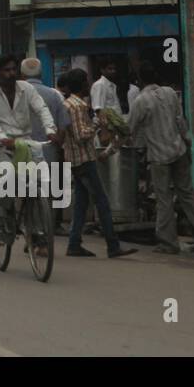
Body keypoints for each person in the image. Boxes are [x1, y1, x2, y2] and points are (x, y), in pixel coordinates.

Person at [128, 61, 194, 256]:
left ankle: (169, 242)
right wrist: (187, 141)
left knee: (164, 199)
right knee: (187, 192)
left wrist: (114, 148)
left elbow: (129, 130)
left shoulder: (140, 101)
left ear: (140, 80)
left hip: (159, 156)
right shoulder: (169, 92)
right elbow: (180, 119)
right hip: (179, 150)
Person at [58, 68, 138, 259]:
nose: (89, 85)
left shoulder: (70, 104)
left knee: (81, 204)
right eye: (87, 82)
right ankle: (112, 245)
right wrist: (97, 124)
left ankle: (74, 243)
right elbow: (80, 136)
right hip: (84, 159)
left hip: (76, 159)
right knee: (102, 202)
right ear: (82, 84)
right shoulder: (76, 106)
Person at [0, 56, 56, 241]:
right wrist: (3, 138)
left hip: (24, 141)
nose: (11, 73)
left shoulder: (26, 89)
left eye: (13, 69)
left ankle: (36, 230)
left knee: (41, 181)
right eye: (6, 70)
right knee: (8, 175)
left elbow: (41, 109)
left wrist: (50, 129)